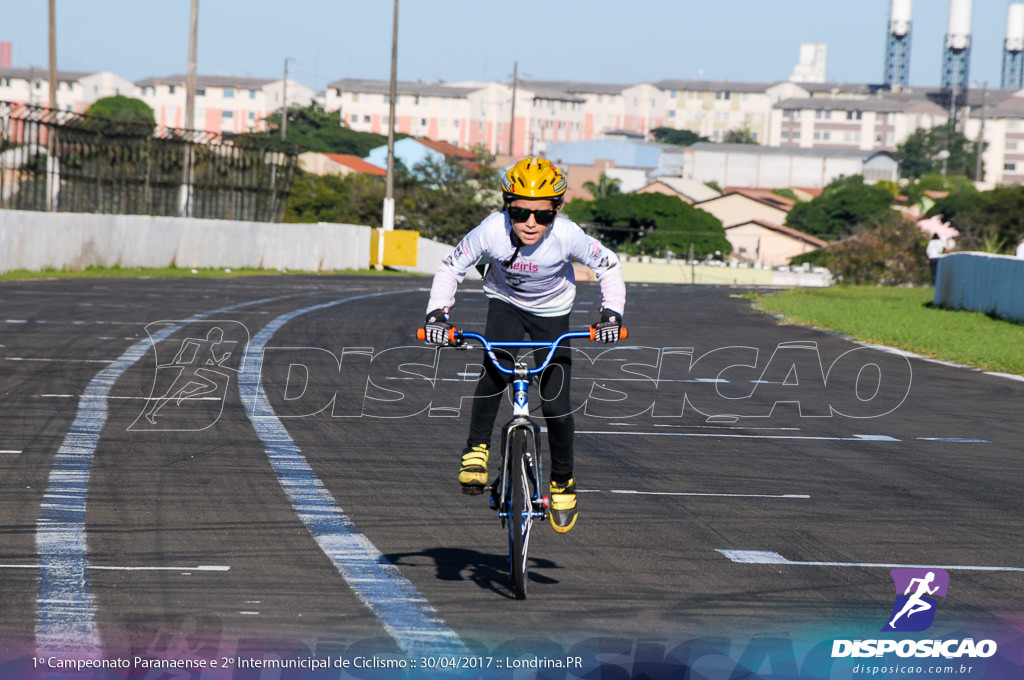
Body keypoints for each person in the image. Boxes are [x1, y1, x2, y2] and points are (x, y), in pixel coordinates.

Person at [422, 157, 626, 533]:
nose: (530, 223)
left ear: (556, 211)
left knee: (556, 403)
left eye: (542, 216)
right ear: (506, 207)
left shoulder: (568, 235)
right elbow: (451, 267)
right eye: (519, 213)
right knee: (495, 372)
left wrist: (611, 315)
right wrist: (437, 316)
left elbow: (608, 266)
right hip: (506, 303)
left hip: (553, 312)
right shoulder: (490, 231)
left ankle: (562, 480)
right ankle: (476, 451)